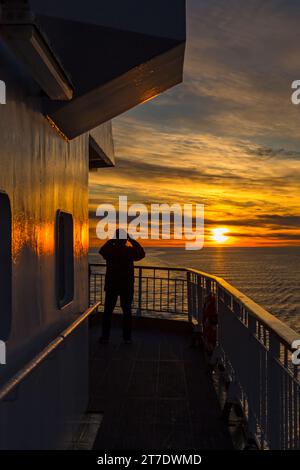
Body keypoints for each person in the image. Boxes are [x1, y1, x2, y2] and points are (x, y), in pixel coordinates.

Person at [99, 229, 145, 343]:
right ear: (125, 239)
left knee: (108, 312)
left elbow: (102, 251)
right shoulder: (129, 251)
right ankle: (127, 338)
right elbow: (141, 253)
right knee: (127, 312)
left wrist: (111, 241)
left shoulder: (110, 251)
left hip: (112, 285)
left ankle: (105, 337)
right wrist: (132, 240)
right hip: (126, 286)